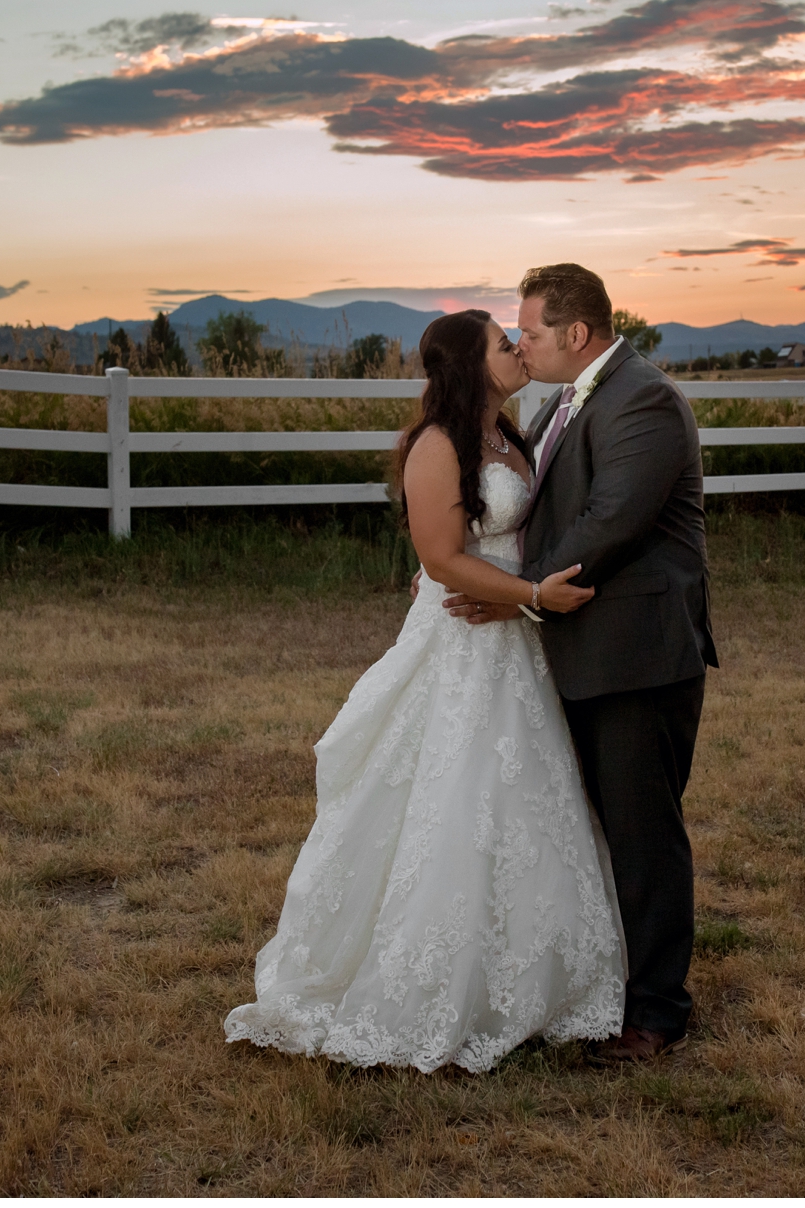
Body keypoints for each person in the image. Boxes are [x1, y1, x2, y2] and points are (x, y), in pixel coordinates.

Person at [223, 309, 625, 1074]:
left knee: (527, 796)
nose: (517, 349)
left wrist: (521, 594)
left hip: (514, 642)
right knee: (457, 792)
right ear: (470, 365)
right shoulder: (436, 444)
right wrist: (530, 594)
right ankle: (433, 980)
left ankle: (535, 973)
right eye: (503, 344)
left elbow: (500, 531)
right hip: (466, 639)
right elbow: (441, 559)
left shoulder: (509, 434)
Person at [442, 262, 717, 1064]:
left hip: (637, 653)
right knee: (597, 827)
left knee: (642, 833)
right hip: (585, 647)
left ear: (577, 333)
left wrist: (521, 592)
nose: (520, 344)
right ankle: (609, 986)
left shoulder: (642, 400)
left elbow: (609, 523)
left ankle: (658, 1015)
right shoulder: (567, 400)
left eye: (529, 331)